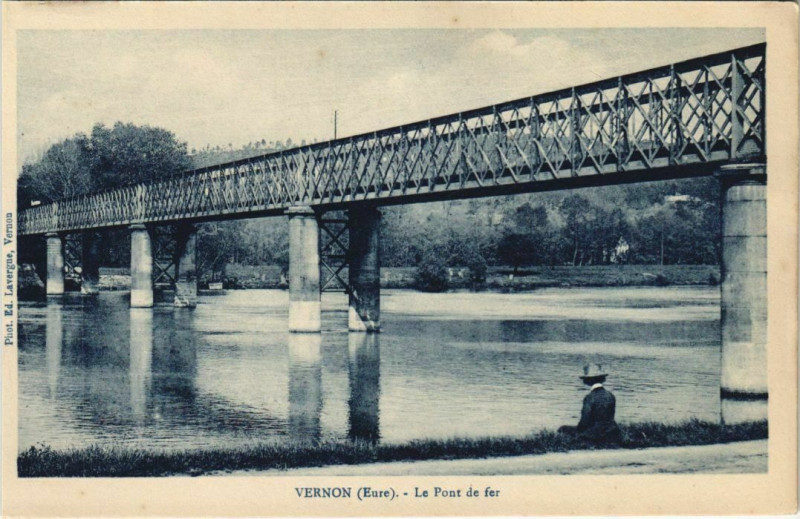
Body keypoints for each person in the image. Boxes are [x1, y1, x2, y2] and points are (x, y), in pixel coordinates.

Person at [558, 363, 622, 444]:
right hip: (612, 431)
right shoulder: (610, 395)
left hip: (595, 434)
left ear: (588, 381)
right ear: (602, 379)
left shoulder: (589, 397)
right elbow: (610, 417)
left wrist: (579, 430)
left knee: (562, 429)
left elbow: (584, 421)